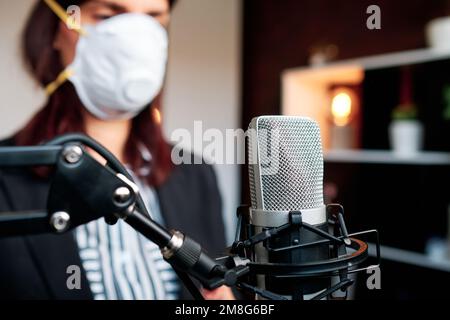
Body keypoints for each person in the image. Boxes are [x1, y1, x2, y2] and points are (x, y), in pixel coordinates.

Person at [0, 0, 233, 300]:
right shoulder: (6, 178)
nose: (135, 38)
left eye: (154, 19)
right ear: (57, 30)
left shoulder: (195, 174)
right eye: (108, 15)